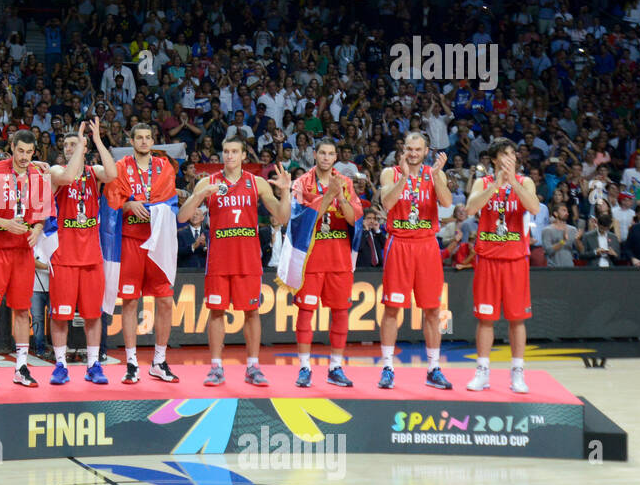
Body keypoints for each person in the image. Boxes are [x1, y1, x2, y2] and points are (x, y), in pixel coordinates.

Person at [179, 135, 290, 387]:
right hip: (219, 260)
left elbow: (282, 217)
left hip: (248, 260)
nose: (229, 155)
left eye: (234, 151)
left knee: (251, 312)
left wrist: (285, 192)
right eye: (226, 151)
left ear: (243, 156)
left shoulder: (257, 183)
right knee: (216, 312)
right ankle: (216, 367)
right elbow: (183, 217)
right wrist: (199, 196)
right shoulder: (208, 183)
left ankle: (253, 367)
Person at [0, 129, 54, 388]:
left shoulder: (39, 175)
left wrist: (37, 231)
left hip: (23, 253)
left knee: (22, 310)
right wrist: (6, 224)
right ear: (11, 147)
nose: (24, 157)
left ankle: (21, 366)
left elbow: (42, 214)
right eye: (20, 151)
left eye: (29, 152)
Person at [102, 123, 180, 384]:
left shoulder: (164, 166)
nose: (144, 141)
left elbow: (169, 200)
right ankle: (132, 362)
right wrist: (128, 204)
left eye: (148, 137)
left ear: (153, 140)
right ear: (131, 140)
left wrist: (145, 203)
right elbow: (112, 198)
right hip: (130, 241)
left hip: (158, 240)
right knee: (131, 301)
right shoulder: (121, 166)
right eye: (139, 138)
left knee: (166, 300)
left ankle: (159, 360)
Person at [376, 131, 454, 390]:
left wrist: (435, 177)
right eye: (409, 148)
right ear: (404, 149)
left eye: (417, 149)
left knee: (432, 310)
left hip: (426, 245)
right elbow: (387, 203)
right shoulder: (390, 173)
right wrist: (406, 179)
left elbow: (447, 202)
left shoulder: (435, 173)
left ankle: (433, 368)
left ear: (426, 151)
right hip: (399, 243)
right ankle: (387, 367)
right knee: (391, 309)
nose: (412, 153)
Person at [464, 138, 541, 394]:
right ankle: (482, 371)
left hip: (515, 259)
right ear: (495, 159)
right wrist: (496, 185)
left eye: (513, 154)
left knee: (517, 319)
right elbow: (470, 208)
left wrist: (513, 183)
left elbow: (534, 207)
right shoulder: (482, 182)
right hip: (487, 259)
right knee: (486, 319)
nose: (510, 158)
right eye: (505, 155)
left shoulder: (525, 181)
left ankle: (517, 372)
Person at [47, 119, 117, 384]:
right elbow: (66, 176)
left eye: (74, 144)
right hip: (63, 256)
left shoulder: (93, 171)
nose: (68, 148)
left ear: (85, 148)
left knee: (92, 314)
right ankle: (61, 364)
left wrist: (96, 140)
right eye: (66, 145)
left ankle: (93, 364)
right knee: (61, 316)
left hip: (91, 257)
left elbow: (113, 175)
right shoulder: (56, 170)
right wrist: (80, 145)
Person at [289, 139, 362, 388]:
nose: (326, 158)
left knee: (341, 312)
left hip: (339, 258)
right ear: (314, 154)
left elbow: (353, 221)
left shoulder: (347, 182)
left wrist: (340, 197)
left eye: (331, 154)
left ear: (335, 157)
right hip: (311, 258)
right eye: (322, 153)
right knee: (305, 312)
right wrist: (328, 195)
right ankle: (305, 367)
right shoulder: (302, 183)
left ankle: (335, 367)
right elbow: (303, 221)